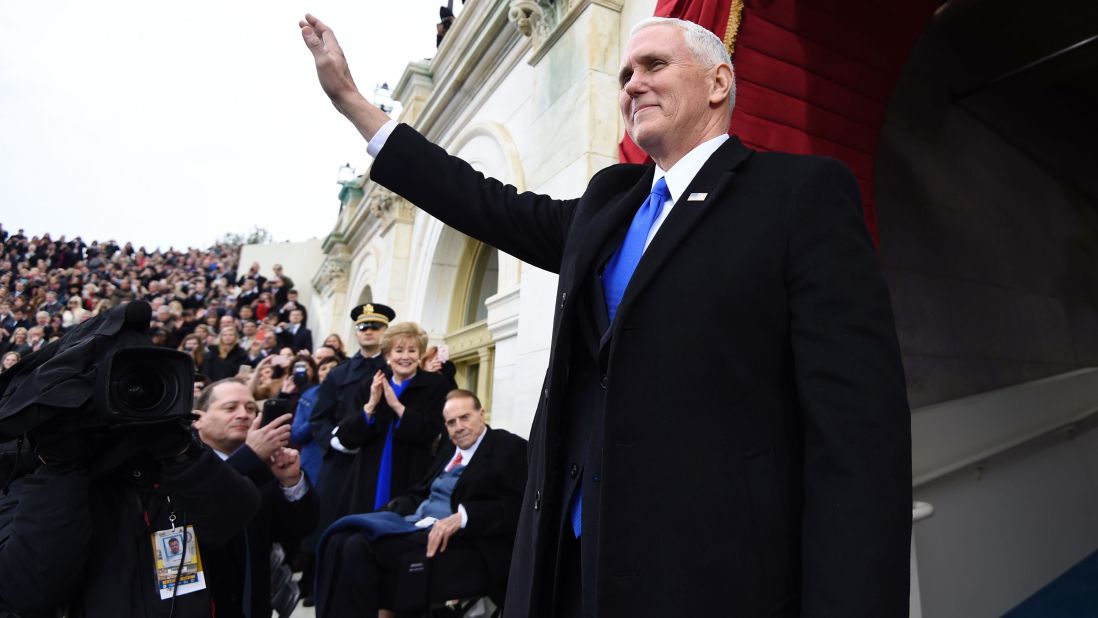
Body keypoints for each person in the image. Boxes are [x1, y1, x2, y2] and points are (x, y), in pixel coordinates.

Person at [301, 14, 911, 617]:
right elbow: (485, 204)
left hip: (712, 580)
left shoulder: (798, 194)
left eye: (654, 66)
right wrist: (356, 105)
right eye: (623, 74)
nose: (632, 84)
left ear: (718, 82)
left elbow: (856, 431)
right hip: (571, 570)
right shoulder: (608, 205)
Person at [315, 389, 527, 617]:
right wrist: (391, 510)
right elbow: (422, 492)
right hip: (417, 523)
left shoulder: (508, 446)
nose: (459, 427)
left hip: (466, 541)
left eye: (465, 417)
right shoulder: (449, 448)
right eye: (451, 422)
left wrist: (464, 517)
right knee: (338, 540)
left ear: (481, 414)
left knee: (358, 547)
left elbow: (520, 507)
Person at [193, 378, 319, 618]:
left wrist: (291, 482)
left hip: (252, 603)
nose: (243, 415)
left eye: (251, 408)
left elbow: (298, 529)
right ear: (199, 418)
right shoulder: (184, 465)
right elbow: (205, 506)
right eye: (230, 408)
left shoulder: (263, 467)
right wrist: (249, 457)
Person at [333, 321, 448, 517]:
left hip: (412, 474)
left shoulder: (435, 385)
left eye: (412, 350)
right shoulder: (369, 384)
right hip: (368, 475)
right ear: (387, 356)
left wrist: (397, 406)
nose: (405, 356)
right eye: (399, 350)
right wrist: (370, 406)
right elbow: (346, 438)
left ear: (419, 355)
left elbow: (431, 432)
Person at [309, 303, 396, 547]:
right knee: (327, 529)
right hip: (340, 462)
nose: (368, 331)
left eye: (375, 326)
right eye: (362, 327)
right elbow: (318, 418)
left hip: (379, 460)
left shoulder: (396, 371)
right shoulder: (338, 373)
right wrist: (335, 441)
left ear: (385, 331)